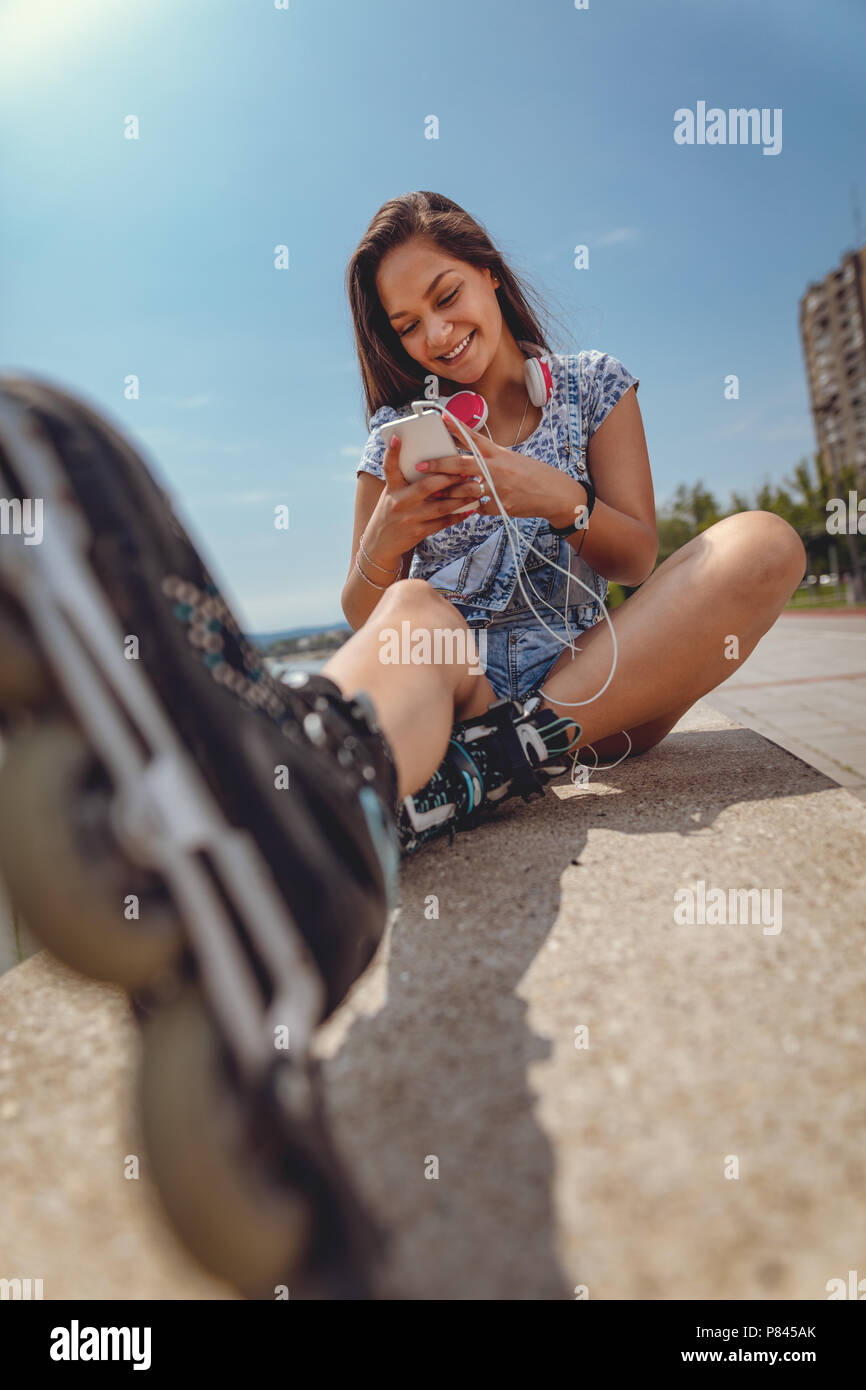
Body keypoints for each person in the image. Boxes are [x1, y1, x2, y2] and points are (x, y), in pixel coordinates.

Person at [323, 190, 807, 849]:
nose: (435, 335)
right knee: (410, 601)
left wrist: (558, 500)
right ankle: (330, 793)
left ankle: (498, 756)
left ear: (489, 271)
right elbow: (364, 616)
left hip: (598, 694)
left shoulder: (593, 387)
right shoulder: (395, 440)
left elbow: (637, 560)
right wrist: (384, 540)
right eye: (406, 325)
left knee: (765, 542)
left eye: (445, 296)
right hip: (460, 691)